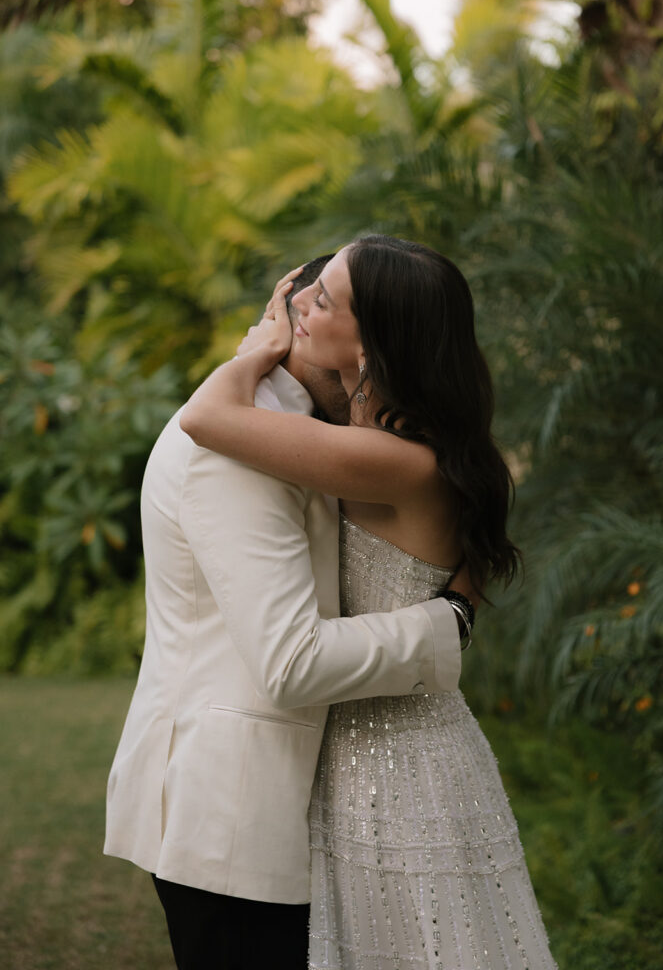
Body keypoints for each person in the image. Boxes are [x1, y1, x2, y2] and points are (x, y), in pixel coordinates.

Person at [181, 235, 558, 969]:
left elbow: (205, 418)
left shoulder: (386, 459)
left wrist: (260, 346)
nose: (298, 303)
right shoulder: (402, 442)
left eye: (322, 301)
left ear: (373, 340)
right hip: (379, 740)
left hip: (395, 760)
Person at [104, 255, 473, 970]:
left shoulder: (305, 431)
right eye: (309, 297)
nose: (304, 306)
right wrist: (446, 623)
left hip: (323, 802)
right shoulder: (237, 446)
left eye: (322, 299)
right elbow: (290, 661)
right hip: (233, 818)